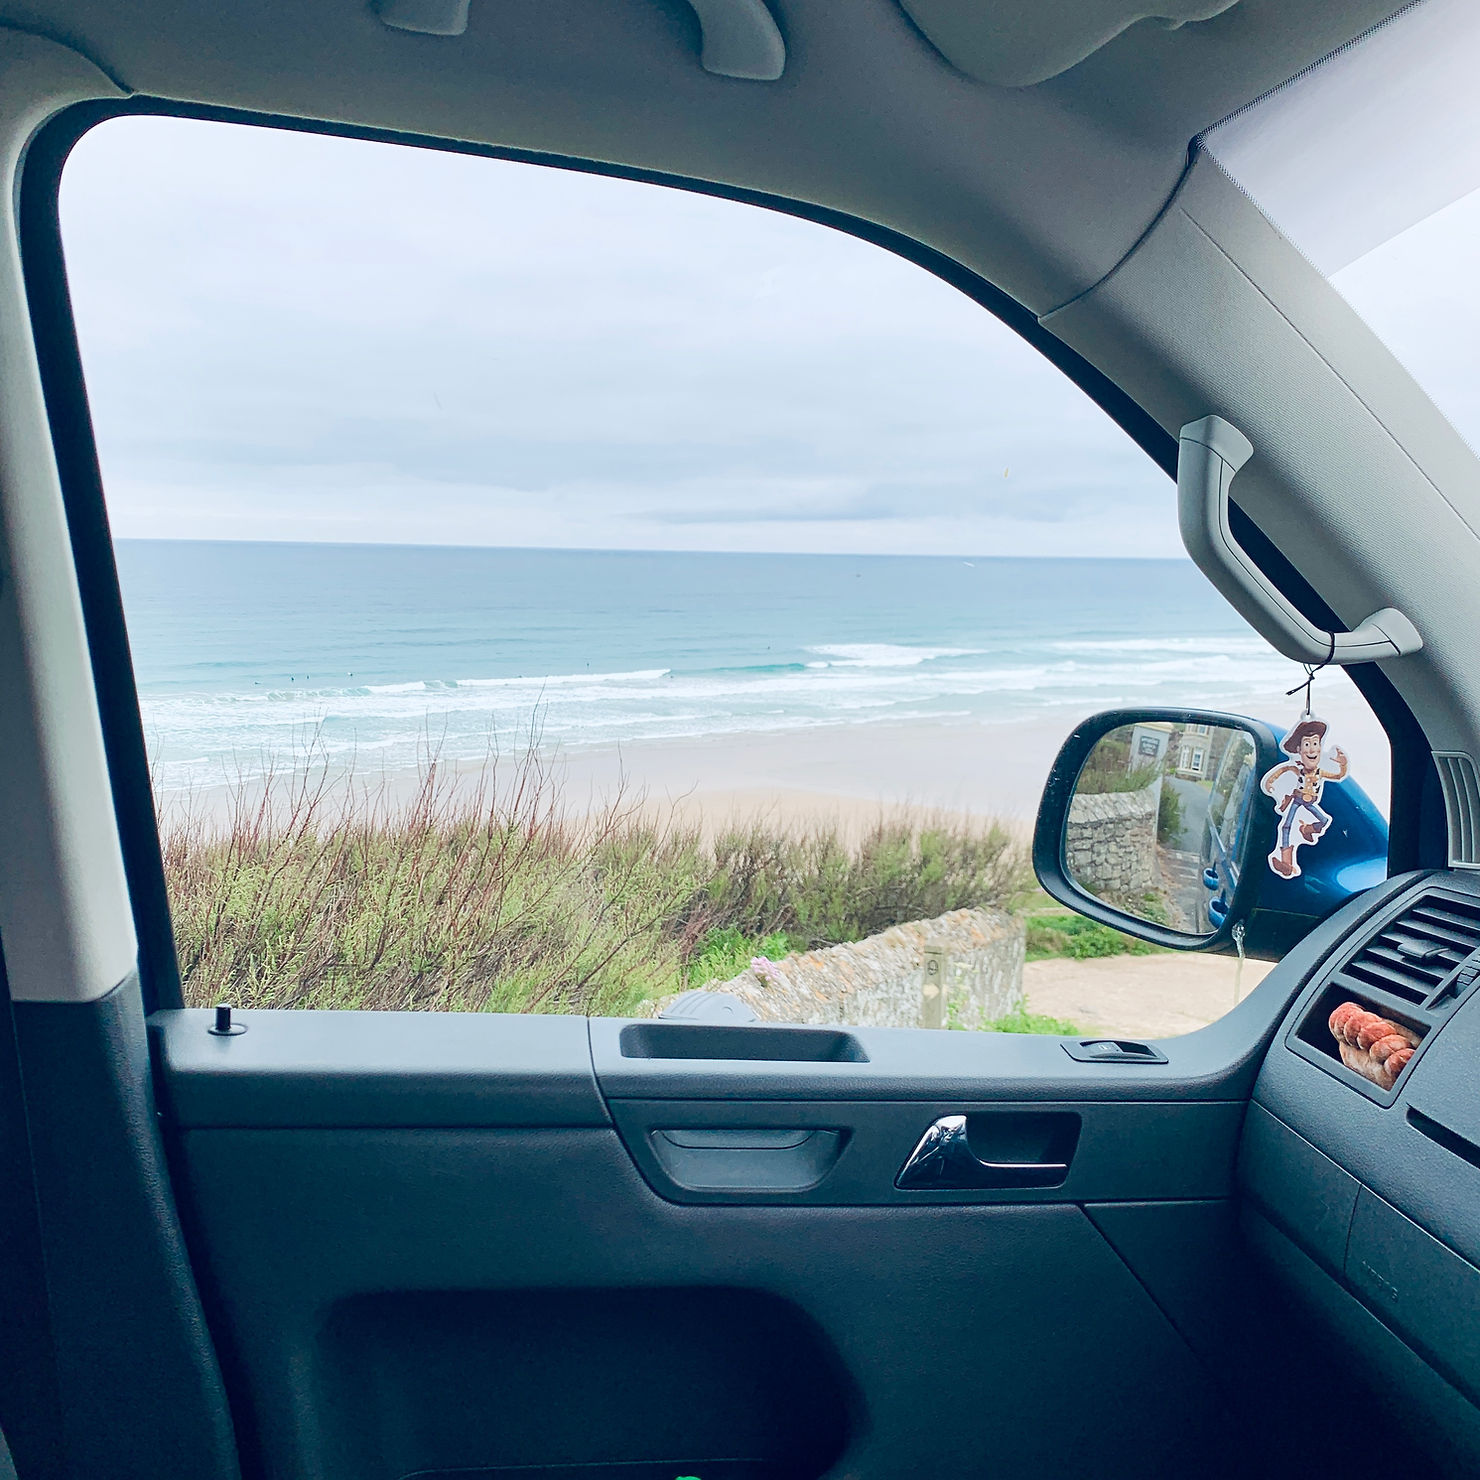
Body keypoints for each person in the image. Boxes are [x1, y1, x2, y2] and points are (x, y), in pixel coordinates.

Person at [1260, 717, 1348, 879]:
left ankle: (1307, 829)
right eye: (1307, 745)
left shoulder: (1320, 772)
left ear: (1320, 748)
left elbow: (1338, 776)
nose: (1311, 750)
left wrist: (1342, 764)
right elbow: (1282, 770)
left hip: (1309, 801)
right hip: (1297, 799)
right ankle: (1286, 863)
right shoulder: (1297, 769)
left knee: (1324, 821)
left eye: (1315, 744)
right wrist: (1269, 782)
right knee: (1286, 826)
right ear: (1299, 750)